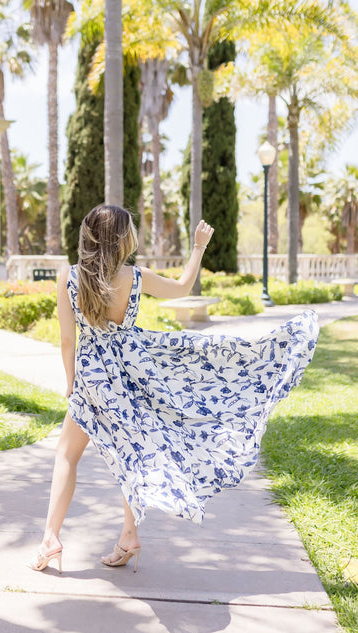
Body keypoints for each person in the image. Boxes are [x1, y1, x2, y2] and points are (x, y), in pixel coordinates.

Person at [30, 203, 318, 574]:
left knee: (67, 455)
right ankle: (128, 535)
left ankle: (52, 539)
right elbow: (182, 286)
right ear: (121, 239)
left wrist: (72, 383)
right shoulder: (134, 277)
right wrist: (198, 246)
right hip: (132, 373)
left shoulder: (69, 278)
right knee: (129, 455)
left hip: (92, 379)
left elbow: (67, 341)